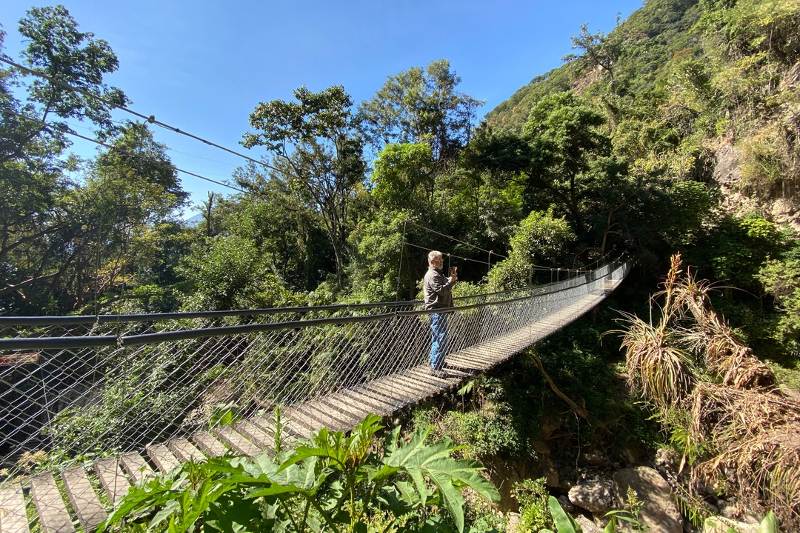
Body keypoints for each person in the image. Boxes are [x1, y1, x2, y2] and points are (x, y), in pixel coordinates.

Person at [423, 250, 457, 376]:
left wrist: (451, 279)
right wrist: (451, 282)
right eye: (439, 259)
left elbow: (443, 285)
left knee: (437, 337)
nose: (442, 261)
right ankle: (436, 368)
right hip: (437, 310)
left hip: (439, 310)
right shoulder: (433, 275)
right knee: (440, 337)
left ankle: (437, 361)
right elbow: (441, 290)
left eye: (442, 259)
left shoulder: (437, 273)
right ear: (432, 262)